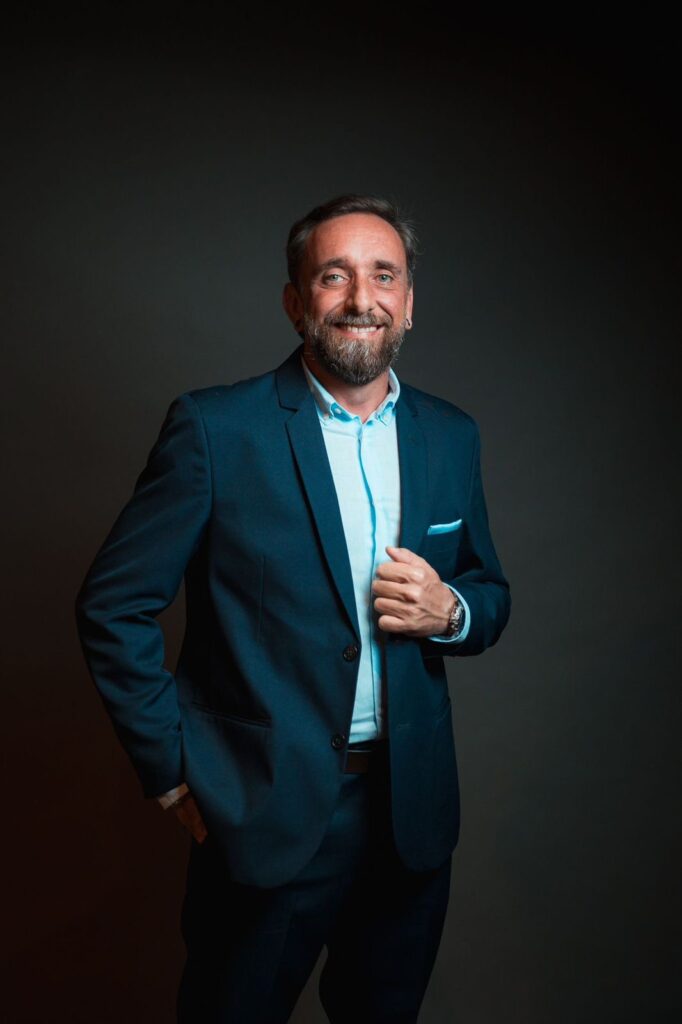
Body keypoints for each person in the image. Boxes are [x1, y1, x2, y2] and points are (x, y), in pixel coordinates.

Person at [75, 193, 511, 1023]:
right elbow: (113, 605)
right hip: (261, 812)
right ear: (294, 300)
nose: (361, 298)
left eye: (384, 276)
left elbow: (491, 595)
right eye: (333, 276)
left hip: (411, 816)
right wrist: (170, 770)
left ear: (409, 302)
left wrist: (450, 610)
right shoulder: (216, 429)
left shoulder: (451, 435)